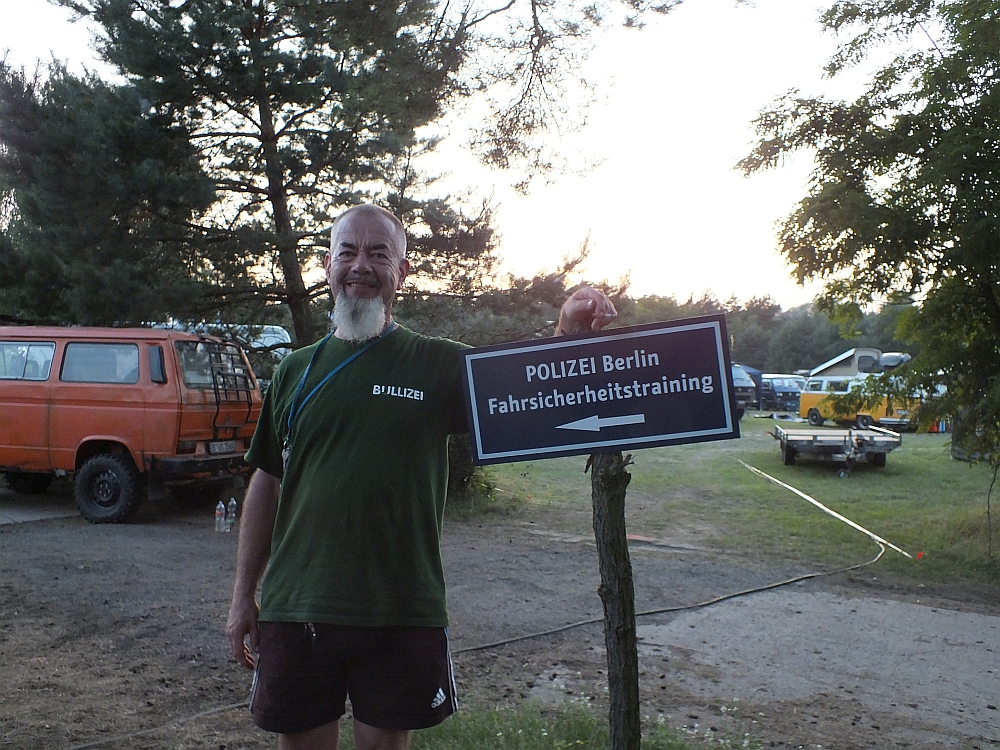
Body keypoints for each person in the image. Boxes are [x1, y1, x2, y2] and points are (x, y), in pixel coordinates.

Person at [226, 203, 618, 750]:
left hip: (401, 607)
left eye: (378, 253)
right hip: (296, 607)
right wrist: (243, 595)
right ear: (328, 265)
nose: (361, 265)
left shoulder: (437, 363)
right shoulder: (294, 370)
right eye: (348, 251)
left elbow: (531, 390)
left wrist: (566, 333)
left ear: (402, 272)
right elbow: (267, 482)